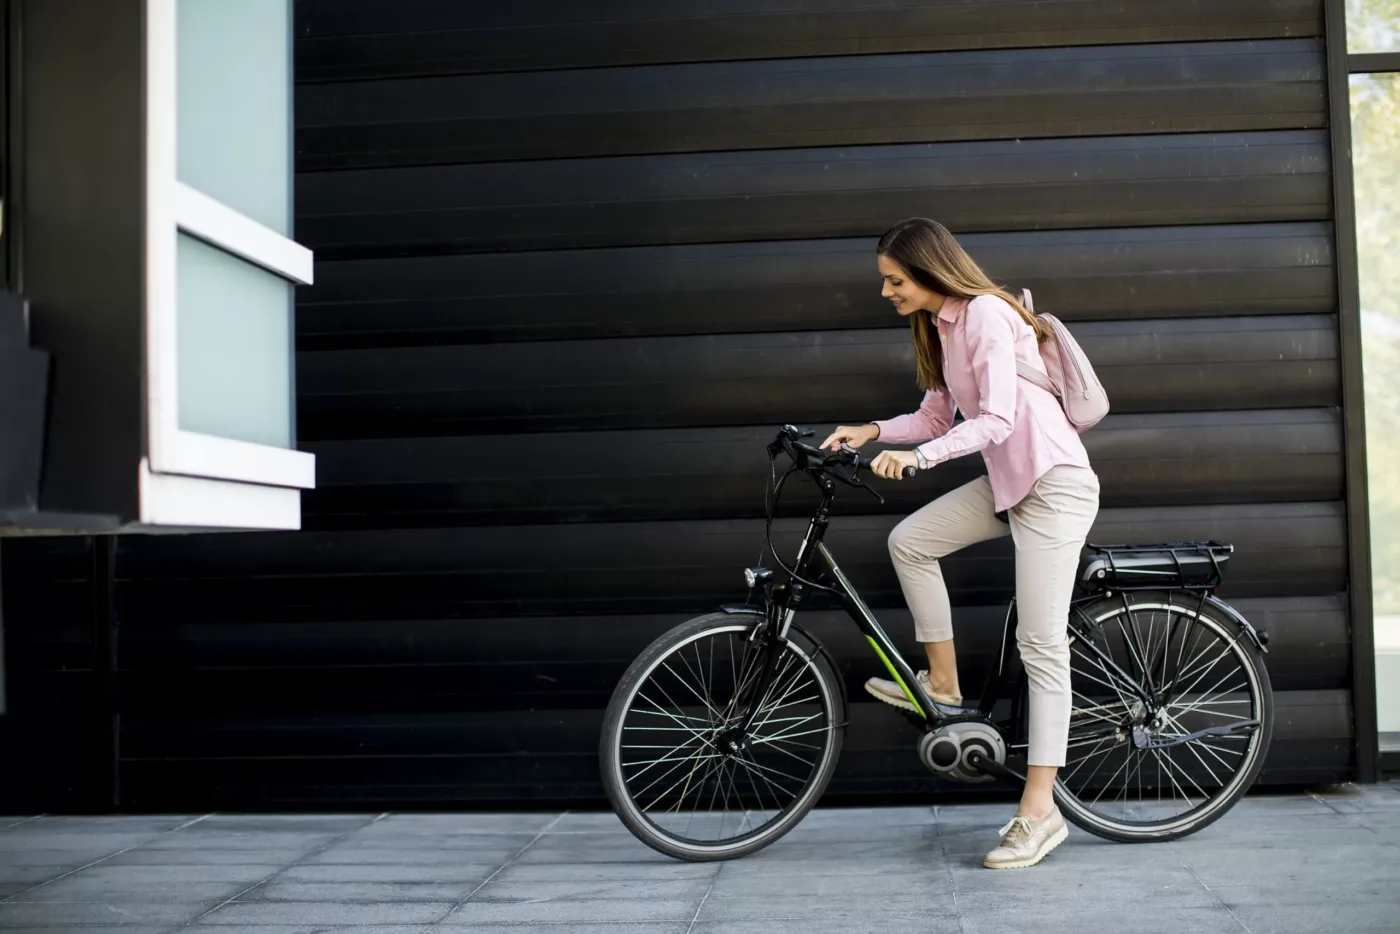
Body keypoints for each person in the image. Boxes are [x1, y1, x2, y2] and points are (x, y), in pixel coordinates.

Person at [821, 217, 1099, 870]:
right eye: (884, 281)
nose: (887, 291)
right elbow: (934, 418)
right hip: (1010, 486)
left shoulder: (987, 316)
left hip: (1053, 484)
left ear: (927, 270)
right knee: (912, 541)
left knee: (1041, 645)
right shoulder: (941, 328)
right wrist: (869, 431)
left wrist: (919, 461)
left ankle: (1040, 813)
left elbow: (998, 418)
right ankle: (942, 685)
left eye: (894, 280)